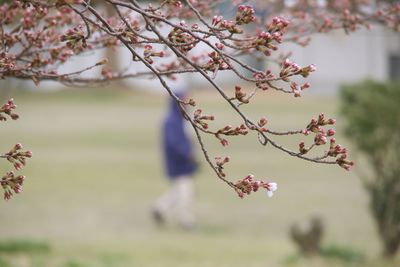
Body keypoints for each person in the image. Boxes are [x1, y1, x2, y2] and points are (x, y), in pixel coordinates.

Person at [152, 91, 198, 229]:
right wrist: (187, 154)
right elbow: (174, 143)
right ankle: (185, 219)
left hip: (183, 161)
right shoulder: (171, 121)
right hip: (178, 162)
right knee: (186, 190)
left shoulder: (180, 119)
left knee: (180, 190)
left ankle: (160, 208)